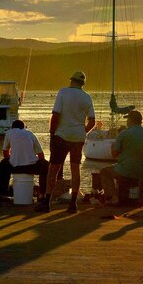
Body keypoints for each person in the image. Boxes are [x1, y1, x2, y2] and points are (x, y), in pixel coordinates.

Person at [36, 71, 96, 213]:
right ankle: (73, 204)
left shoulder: (63, 92)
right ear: (82, 84)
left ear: (71, 81)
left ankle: (47, 202)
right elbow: (92, 121)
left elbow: (55, 114)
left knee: (53, 170)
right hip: (78, 138)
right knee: (75, 169)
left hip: (61, 136)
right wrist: (83, 132)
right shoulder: (87, 98)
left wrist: (52, 133)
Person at [99, 110, 143, 206]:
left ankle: (113, 198)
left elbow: (114, 154)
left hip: (127, 171)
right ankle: (139, 199)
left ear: (131, 120)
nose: (127, 121)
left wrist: (112, 146)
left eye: (127, 119)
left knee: (104, 172)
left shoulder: (124, 133)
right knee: (129, 168)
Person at [0, 120, 49, 202]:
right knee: (45, 165)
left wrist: (13, 158)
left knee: (3, 164)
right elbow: (41, 155)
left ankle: (3, 194)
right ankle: (42, 194)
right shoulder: (30, 133)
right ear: (24, 127)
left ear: (12, 127)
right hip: (31, 167)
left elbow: (5, 153)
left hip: (15, 167)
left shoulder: (9, 133)